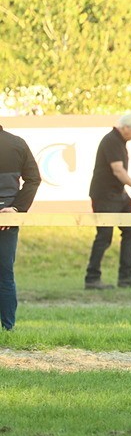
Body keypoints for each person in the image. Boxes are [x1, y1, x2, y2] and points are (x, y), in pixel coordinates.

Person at [85, 113, 131, 290]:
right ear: (126, 127)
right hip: (105, 195)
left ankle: (126, 276)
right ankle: (92, 278)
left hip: (118, 194)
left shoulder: (119, 142)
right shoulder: (111, 141)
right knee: (104, 236)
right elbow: (118, 171)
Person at [1, 125, 41, 332]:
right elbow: (34, 179)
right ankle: (8, 328)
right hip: (7, 216)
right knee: (5, 274)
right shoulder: (17, 143)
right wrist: (16, 209)